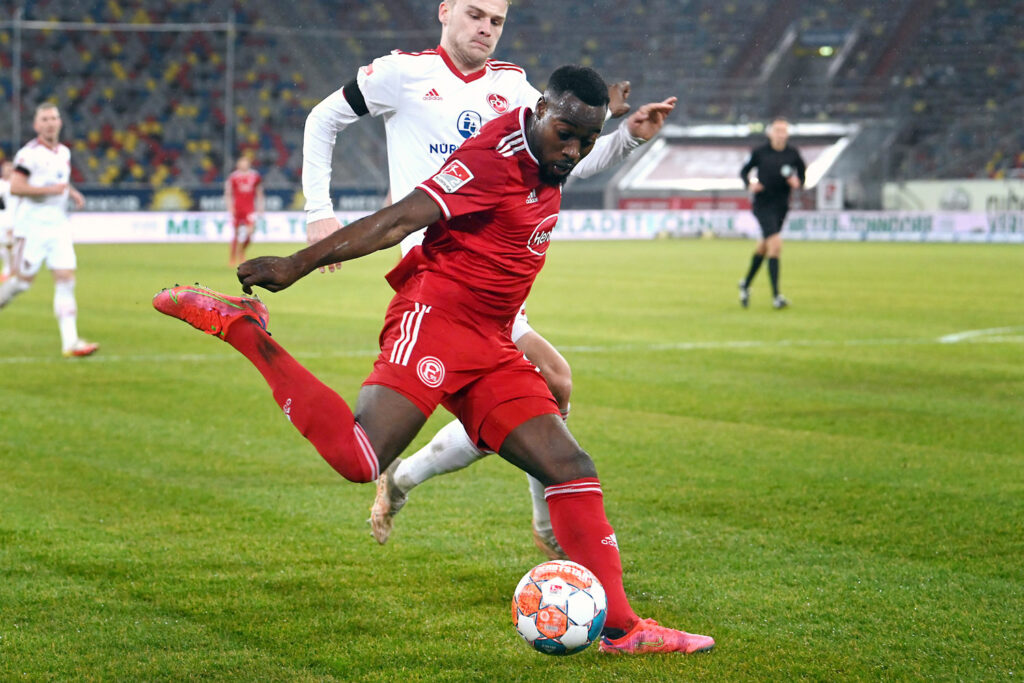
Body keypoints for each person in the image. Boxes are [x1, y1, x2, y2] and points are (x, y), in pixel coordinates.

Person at [154, 65, 712, 655]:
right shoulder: (494, 157)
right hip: (437, 321)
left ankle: (623, 631)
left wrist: (615, 121)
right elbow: (398, 219)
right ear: (541, 109)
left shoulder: (552, 150)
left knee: (571, 468)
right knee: (358, 458)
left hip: (493, 340)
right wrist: (297, 263)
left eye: (585, 139)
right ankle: (244, 330)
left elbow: (576, 146)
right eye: (566, 133)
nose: (573, 151)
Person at [303, 0, 657, 558]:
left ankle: (417, 484)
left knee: (550, 386)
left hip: (493, 271)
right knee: (539, 388)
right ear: (444, 12)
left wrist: (625, 137)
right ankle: (534, 521)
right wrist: (317, 211)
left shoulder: (515, 87)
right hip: (437, 273)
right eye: (475, 15)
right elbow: (323, 119)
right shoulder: (400, 73)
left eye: (496, 21)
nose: (485, 29)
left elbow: (565, 159)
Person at [0, 104, 98, 358]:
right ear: (36, 126)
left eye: (54, 117)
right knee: (21, 283)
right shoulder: (28, 154)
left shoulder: (63, 152)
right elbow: (16, 188)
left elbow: (59, 181)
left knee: (66, 279)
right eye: (44, 119)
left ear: (60, 122)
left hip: (58, 227)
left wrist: (71, 192)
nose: (50, 123)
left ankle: (71, 342)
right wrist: (50, 191)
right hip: (31, 228)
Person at [738, 116, 806, 310]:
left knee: (764, 247)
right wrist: (750, 184)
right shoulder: (760, 152)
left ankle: (745, 283)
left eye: (783, 131)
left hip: (781, 206)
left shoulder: (793, 154)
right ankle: (776, 296)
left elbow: (802, 173)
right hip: (762, 205)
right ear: (770, 133)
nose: (780, 134)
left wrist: (798, 182)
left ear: (787, 134)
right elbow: (744, 172)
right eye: (777, 130)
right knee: (775, 246)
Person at [224, 156, 264, 267]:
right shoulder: (233, 177)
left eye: (246, 163)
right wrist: (230, 207)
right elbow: (228, 193)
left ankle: (241, 251)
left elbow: (259, 192)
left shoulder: (255, 176)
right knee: (236, 234)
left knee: (250, 233)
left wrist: (260, 207)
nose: (244, 165)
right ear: (238, 164)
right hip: (237, 208)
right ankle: (232, 258)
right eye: (242, 162)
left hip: (249, 209)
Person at [0, 161, 14, 281]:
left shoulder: (16, 185)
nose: (7, 171)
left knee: (10, 245)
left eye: (10, 169)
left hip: (13, 219)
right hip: (1, 218)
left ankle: (8, 270)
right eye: (5, 169)